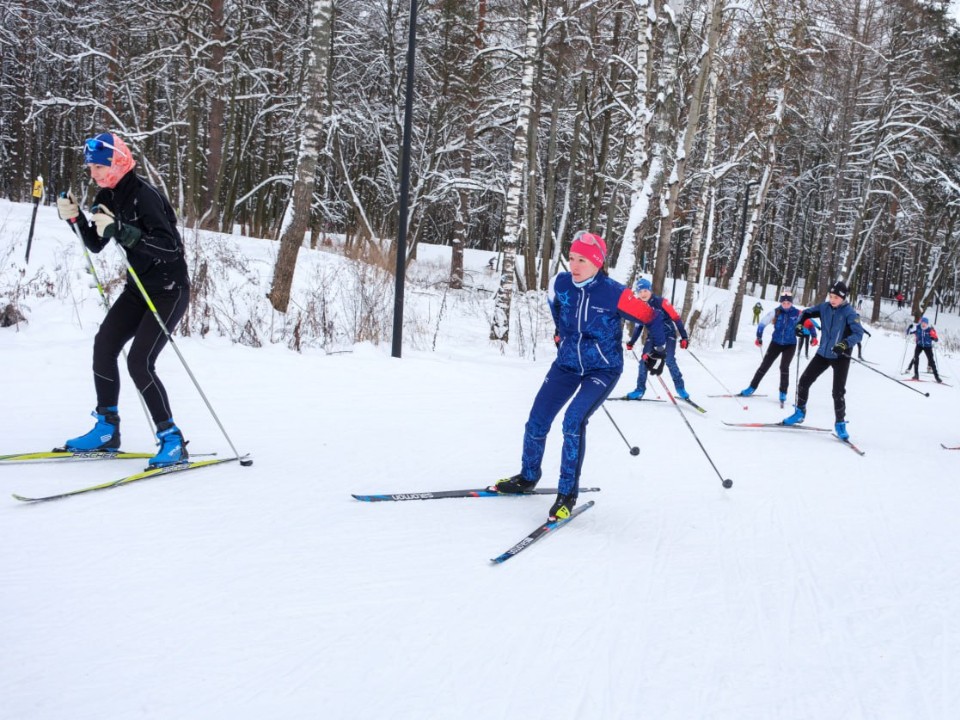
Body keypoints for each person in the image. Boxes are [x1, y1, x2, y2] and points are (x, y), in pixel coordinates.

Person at [493, 232, 666, 521]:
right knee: (537, 420)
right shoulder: (560, 283)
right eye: (572, 258)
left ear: (597, 262)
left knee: (573, 421)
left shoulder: (614, 293)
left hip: (602, 368)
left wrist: (659, 348)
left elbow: (652, 317)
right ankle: (527, 476)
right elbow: (556, 307)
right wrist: (561, 333)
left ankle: (566, 495)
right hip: (566, 365)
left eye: (582, 260)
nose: (574, 265)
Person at [56, 132, 191, 467]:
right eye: (91, 167)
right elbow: (97, 243)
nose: (94, 173)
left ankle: (172, 440)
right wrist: (76, 219)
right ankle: (107, 429)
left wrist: (123, 231)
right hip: (138, 288)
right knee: (104, 345)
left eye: (100, 166)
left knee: (139, 362)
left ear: (118, 161)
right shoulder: (107, 196)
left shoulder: (146, 196)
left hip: (169, 289)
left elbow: (170, 247)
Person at [782, 281, 864, 439]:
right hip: (823, 353)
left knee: (838, 392)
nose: (832, 299)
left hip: (840, 355)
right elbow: (805, 313)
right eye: (831, 296)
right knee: (804, 381)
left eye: (836, 297)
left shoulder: (850, 313)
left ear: (843, 298)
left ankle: (840, 424)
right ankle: (799, 412)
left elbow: (858, 334)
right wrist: (799, 326)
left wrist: (844, 344)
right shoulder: (824, 308)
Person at [739, 291, 816, 405]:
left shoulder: (797, 313)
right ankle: (751, 387)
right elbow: (762, 323)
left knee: (784, 367)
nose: (786, 305)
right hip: (776, 343)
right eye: (783, 303)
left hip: (790, 344)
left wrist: (813, 336)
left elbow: (809, 323)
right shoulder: (776, 312)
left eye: (788, 303)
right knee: (764, 365)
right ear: (781, 303)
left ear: (791, 303)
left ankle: (783, 392)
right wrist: (759, 337)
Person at [624, 278, 690, 400]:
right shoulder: (639, 306)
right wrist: (632, 342)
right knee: (643, 361)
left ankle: (680, 387)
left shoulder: (661, 302)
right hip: (653, 336)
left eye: (645, 290)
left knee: (669, 359)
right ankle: (639, 389)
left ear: (650, 290)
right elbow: (638, 327)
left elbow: (676, 318)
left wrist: (684, 336)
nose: (643, 294)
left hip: (668, 333)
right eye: (640, 292)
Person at [906, 317, 941, 382]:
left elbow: (936, 338)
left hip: (928, 347)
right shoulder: (917, 327)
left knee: (931, 361)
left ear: (927, 324)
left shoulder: (929, 330)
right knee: (916, 358)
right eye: (922, 323)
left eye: (925, 323)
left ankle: (937, 377)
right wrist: (909, 328)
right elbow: (908, 333)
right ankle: (916, 375)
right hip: (919, 345)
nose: (923, 324)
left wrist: (934, 338)